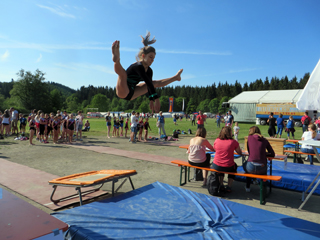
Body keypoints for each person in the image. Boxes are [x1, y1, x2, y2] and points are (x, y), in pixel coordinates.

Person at [111, 32, 183, 113]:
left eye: (153, 58)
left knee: (155, 83)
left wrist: (151, 100)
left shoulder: (149, 70)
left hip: (132, 92)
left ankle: (176, 77)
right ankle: (116, 60)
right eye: (150, 57)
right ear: (143, 56)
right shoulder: (138, 66)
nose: (152, 60)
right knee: (123, 74)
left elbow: (150, 86)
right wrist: (157, 99)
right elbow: (147, 81)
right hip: (123, 90)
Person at [243, 126, 275, 192]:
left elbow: (250, 152)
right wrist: (264, 153)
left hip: (251, 166)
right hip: (262, 167)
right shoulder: (265, 140)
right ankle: (263, 189)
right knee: (264, 170)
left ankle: (248, 186)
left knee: (245, 165)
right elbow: (272, 154)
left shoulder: (249, 138)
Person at [212, 126, 242, 192]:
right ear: (230, 133)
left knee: (220, 165)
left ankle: (221, 183)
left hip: (217, 164)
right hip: (228, 165)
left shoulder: (217, 140)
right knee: (233, 167)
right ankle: (229, 186)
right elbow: (239, 152)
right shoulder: (233, 142)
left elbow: (215, 149)